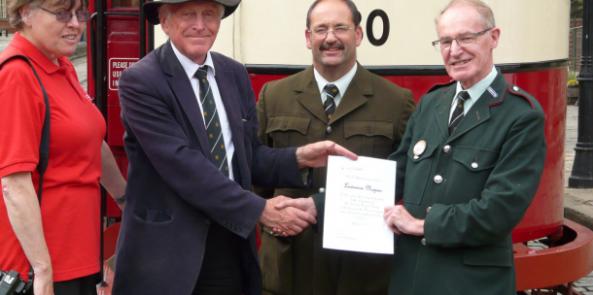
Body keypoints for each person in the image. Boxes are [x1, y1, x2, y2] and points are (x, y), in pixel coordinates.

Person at [111, 0, 356, 294]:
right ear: (164, 21)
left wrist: (300, 158)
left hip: (229, 242)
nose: (200, 25)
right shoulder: (141, 81)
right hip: (169, 256)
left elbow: (245, 156)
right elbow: (183, 165)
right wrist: (259, 209)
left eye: (210, 15)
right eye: (188, 14)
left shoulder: (233, 74)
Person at [381, 0, 546, 294]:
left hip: (472, 283)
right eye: (445, 41)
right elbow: (392, 177)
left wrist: (423, 225)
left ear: (493, 37)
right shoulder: (431, 103)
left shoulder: (521, 116)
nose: (454, 51)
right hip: (412, 279)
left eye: (466, 38)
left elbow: (499, 210)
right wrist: (320, 204)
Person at [256, 0, 415, 294]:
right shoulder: (273, 96)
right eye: (321, 29)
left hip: (361, 273)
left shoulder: (396, 102)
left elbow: (404, 180)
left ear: (358, 35)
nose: (330, 38)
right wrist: (266, 210)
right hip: (287, 266)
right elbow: (254, 171)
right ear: (308, 37)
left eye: (340, 28)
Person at [0, 0, 127, 294]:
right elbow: (14, 184)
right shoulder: (17, 75)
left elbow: (92, 141)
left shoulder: (61, 65)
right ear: (25, 14)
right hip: (43, 265)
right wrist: (42, 270)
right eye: (61, 14)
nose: (75, 24)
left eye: (79, 13)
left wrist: (125, 199)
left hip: (78, 254)